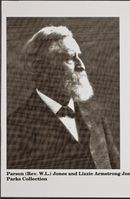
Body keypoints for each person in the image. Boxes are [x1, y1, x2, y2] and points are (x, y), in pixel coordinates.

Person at [7, 26, 119, 169]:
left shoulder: (95, 116)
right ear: (41, 67)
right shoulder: (15, 128)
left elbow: (116, 168)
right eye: (70, 58)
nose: (82, 66)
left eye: (79, 56)